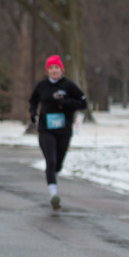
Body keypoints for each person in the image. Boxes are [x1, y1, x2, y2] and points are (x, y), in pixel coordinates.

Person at [29, 55, 87, 210]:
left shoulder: (69, 86)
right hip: (45, 129)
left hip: (64, 130)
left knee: (58, 164)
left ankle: (53, 177)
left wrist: (65, 102)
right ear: (47, 70)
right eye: (51, 68)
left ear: (62, 69)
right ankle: (53, 195)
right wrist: (33, 113)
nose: (54, 70)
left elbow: (83, 103)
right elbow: (33, 100)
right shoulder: (42, 86)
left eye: (56, 67)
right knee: (51, 161)